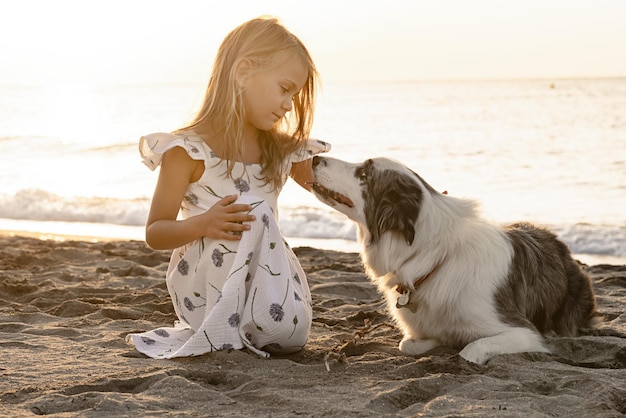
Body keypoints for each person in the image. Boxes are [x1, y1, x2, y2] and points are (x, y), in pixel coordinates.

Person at [126, 16, 330, 359]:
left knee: (288, 332)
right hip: (205, 289)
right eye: (284, 89)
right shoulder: (187, 151)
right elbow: (155, 232)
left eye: (294, 96)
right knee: (252, 207)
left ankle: (256, 326)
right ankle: (225, 327)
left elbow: (337, 191)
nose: (288, 105)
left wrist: (418, 204)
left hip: (270, 290)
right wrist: (204, 223)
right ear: (243, 71)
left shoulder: (279, 151)